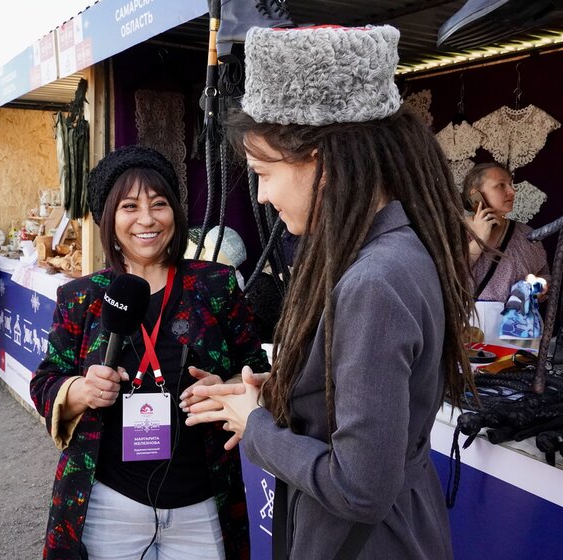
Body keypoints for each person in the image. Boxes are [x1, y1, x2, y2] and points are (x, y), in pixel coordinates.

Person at [184, 25, 475, 560]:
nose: (264, 197)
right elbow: (375, 399)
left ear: (320, 157)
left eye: (264, 173)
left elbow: (359, 487)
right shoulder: (398, 247)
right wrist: (281, 390)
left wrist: (257, 427)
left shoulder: (374, 281)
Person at [30, 145, 268, 560]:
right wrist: (79, 391)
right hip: (108, 504)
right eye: (129, 206)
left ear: (174, 211)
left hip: (203, 506)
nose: (146, 219)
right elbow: (46, 380)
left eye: (159, 204)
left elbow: (258, 369)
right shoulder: (81, 297)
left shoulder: (216, 285)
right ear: (108, 217)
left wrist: (227, 387)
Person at [464, 162, 550, 301]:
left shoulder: (525, 234)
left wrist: (539, 287)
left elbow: (544, 278)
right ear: (476, 194)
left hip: (513, 320)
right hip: (467, 320)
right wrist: (480, 238)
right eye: (501, 185)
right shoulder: (455, 231)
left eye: (511, 184)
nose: (512, 191)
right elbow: (447, 274)